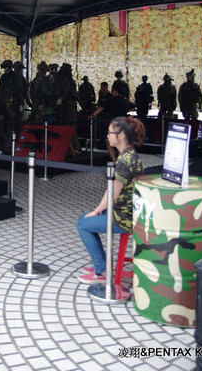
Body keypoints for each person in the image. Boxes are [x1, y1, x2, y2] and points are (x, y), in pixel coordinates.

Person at [76, 116, 145, 283]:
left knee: (83, 225)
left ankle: (101, 271)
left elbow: (113, 193)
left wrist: (97, 210)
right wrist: (99, 209)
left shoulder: (125, 161)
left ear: (121, 135)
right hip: (127, 212)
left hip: (124, 218)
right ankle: (102, 264)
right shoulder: (129, 155)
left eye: (110, 132)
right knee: (86, 219)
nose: (107, 136)